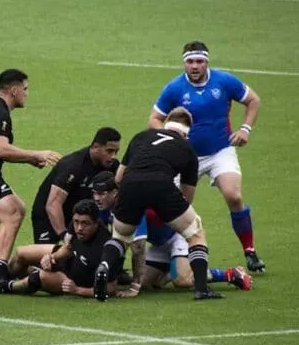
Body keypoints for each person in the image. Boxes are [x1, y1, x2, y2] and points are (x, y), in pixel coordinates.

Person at [147, 41, 264, 273]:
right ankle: (166, 253)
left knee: (234, 195)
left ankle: (250, 251)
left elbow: (253, 100)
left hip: (220, 151)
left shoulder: (224, 81)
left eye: (199, 61)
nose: (195, 66)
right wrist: (172, 139)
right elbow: (154, 119)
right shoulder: (174, 88)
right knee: (174, 206)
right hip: (185, 157)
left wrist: (245, 129)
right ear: (184, 63)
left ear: (207, 62)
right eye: (190, 61)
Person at [94, 107, 223, 301]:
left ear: (165, 123)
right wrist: (165, 208)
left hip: (130, 184)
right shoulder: (188, 149)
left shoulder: (141, 137)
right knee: (195, 234)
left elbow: (119, 178)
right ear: (187, 132)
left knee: (120, 236)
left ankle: (104, 266)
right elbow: (187, 196)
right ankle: (201, 289)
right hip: (162, 184)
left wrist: (136, 199)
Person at [91, 171, 252, 296]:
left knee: (182, 281)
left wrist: (133, 287)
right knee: (147, 284)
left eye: (102, 193)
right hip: (160, 244)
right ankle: (173, 269)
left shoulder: (130, 206)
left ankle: (230, 274)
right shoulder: (105, 209)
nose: (97, 198)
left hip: (178, 236)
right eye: (94, 193)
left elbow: (138, 248)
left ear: (115, 192)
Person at [0, 68, 61, 281]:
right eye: (25, 89)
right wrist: (37, 153)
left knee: (17, 207)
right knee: (11, 215)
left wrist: (30, 159)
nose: (27, 94)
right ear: (13, 90)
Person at [0, 200, 118, 298]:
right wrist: (52, 258)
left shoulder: (106, 249)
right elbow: (68, 248)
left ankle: (5, 286)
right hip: (67, 263)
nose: (79, 228)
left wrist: (78, 290)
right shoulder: (77, 227)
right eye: (76, 222)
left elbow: (111, 288)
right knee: (21, 253)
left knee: (38, 277)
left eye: (85, 224)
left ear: (96, 223)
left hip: (70, 280)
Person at [30, 127, 120, 244]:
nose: (113, 156)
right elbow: (53, 204)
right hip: (47, 215)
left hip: (79, 216)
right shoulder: (74, 166)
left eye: (116, 152)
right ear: (96, 147)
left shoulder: (111, 166)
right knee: (45, 257)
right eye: (109, 151)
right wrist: (64, 235)